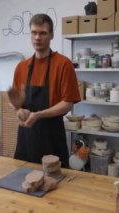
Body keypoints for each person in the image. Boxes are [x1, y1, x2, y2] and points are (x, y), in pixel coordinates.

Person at [10, 13, 80, 167]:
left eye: (42, 33)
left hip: (51, 138)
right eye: (34, 32)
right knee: (22, 182)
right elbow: (14, 100)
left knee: (56, 186)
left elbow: (68, 104)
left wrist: (38, 115)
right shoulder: (22, 67)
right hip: (26, 139)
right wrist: (18, 111)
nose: (37, 37)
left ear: (52, 35)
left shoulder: (63, 65)